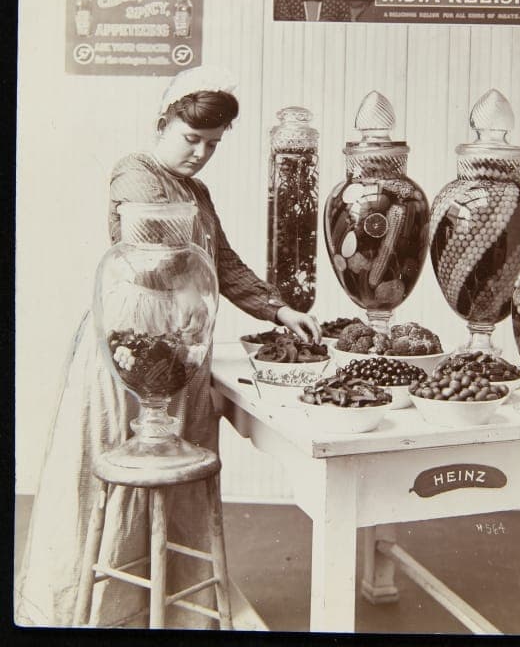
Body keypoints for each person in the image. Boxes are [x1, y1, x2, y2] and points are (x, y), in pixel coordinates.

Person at [15, 66, 321, 629]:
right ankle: (109, 612)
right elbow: (155, 249)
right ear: (163, 122)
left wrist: (279, 309)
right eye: (191, 139)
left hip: (183, 349)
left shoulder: (199, 191)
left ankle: (179, 608)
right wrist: (194, 298)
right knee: (120, 465)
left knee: (176, 474)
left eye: (213, 144)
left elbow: (221, 262)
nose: (201, 154)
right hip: (128, 352)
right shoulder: (133, 171)